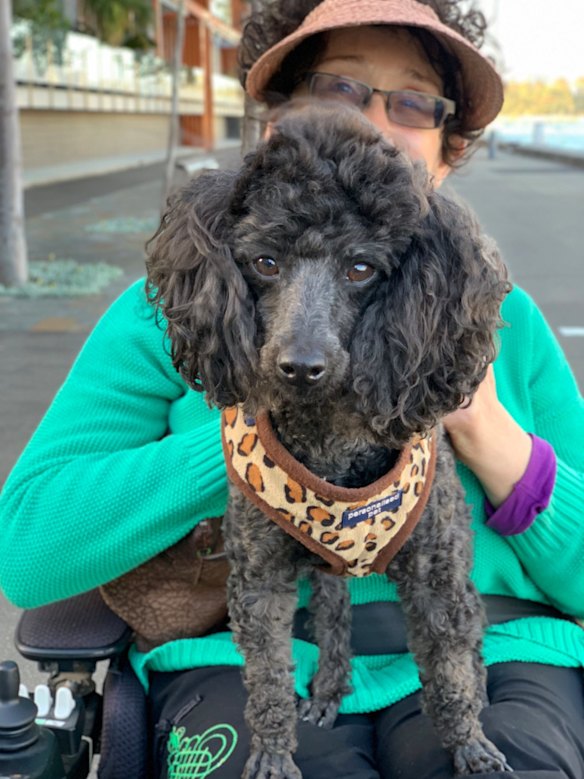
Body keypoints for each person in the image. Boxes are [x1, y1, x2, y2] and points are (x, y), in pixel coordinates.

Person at [1, 0, 583, 776]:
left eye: (413, 101)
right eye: (338, 86)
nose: (374, 121)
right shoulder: (170, 312)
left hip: (500, 654)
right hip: (241, 665)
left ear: (446, 152)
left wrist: (491, 438)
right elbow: (32, 551)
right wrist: (254, 447)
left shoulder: (506, 320)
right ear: (273, 122)